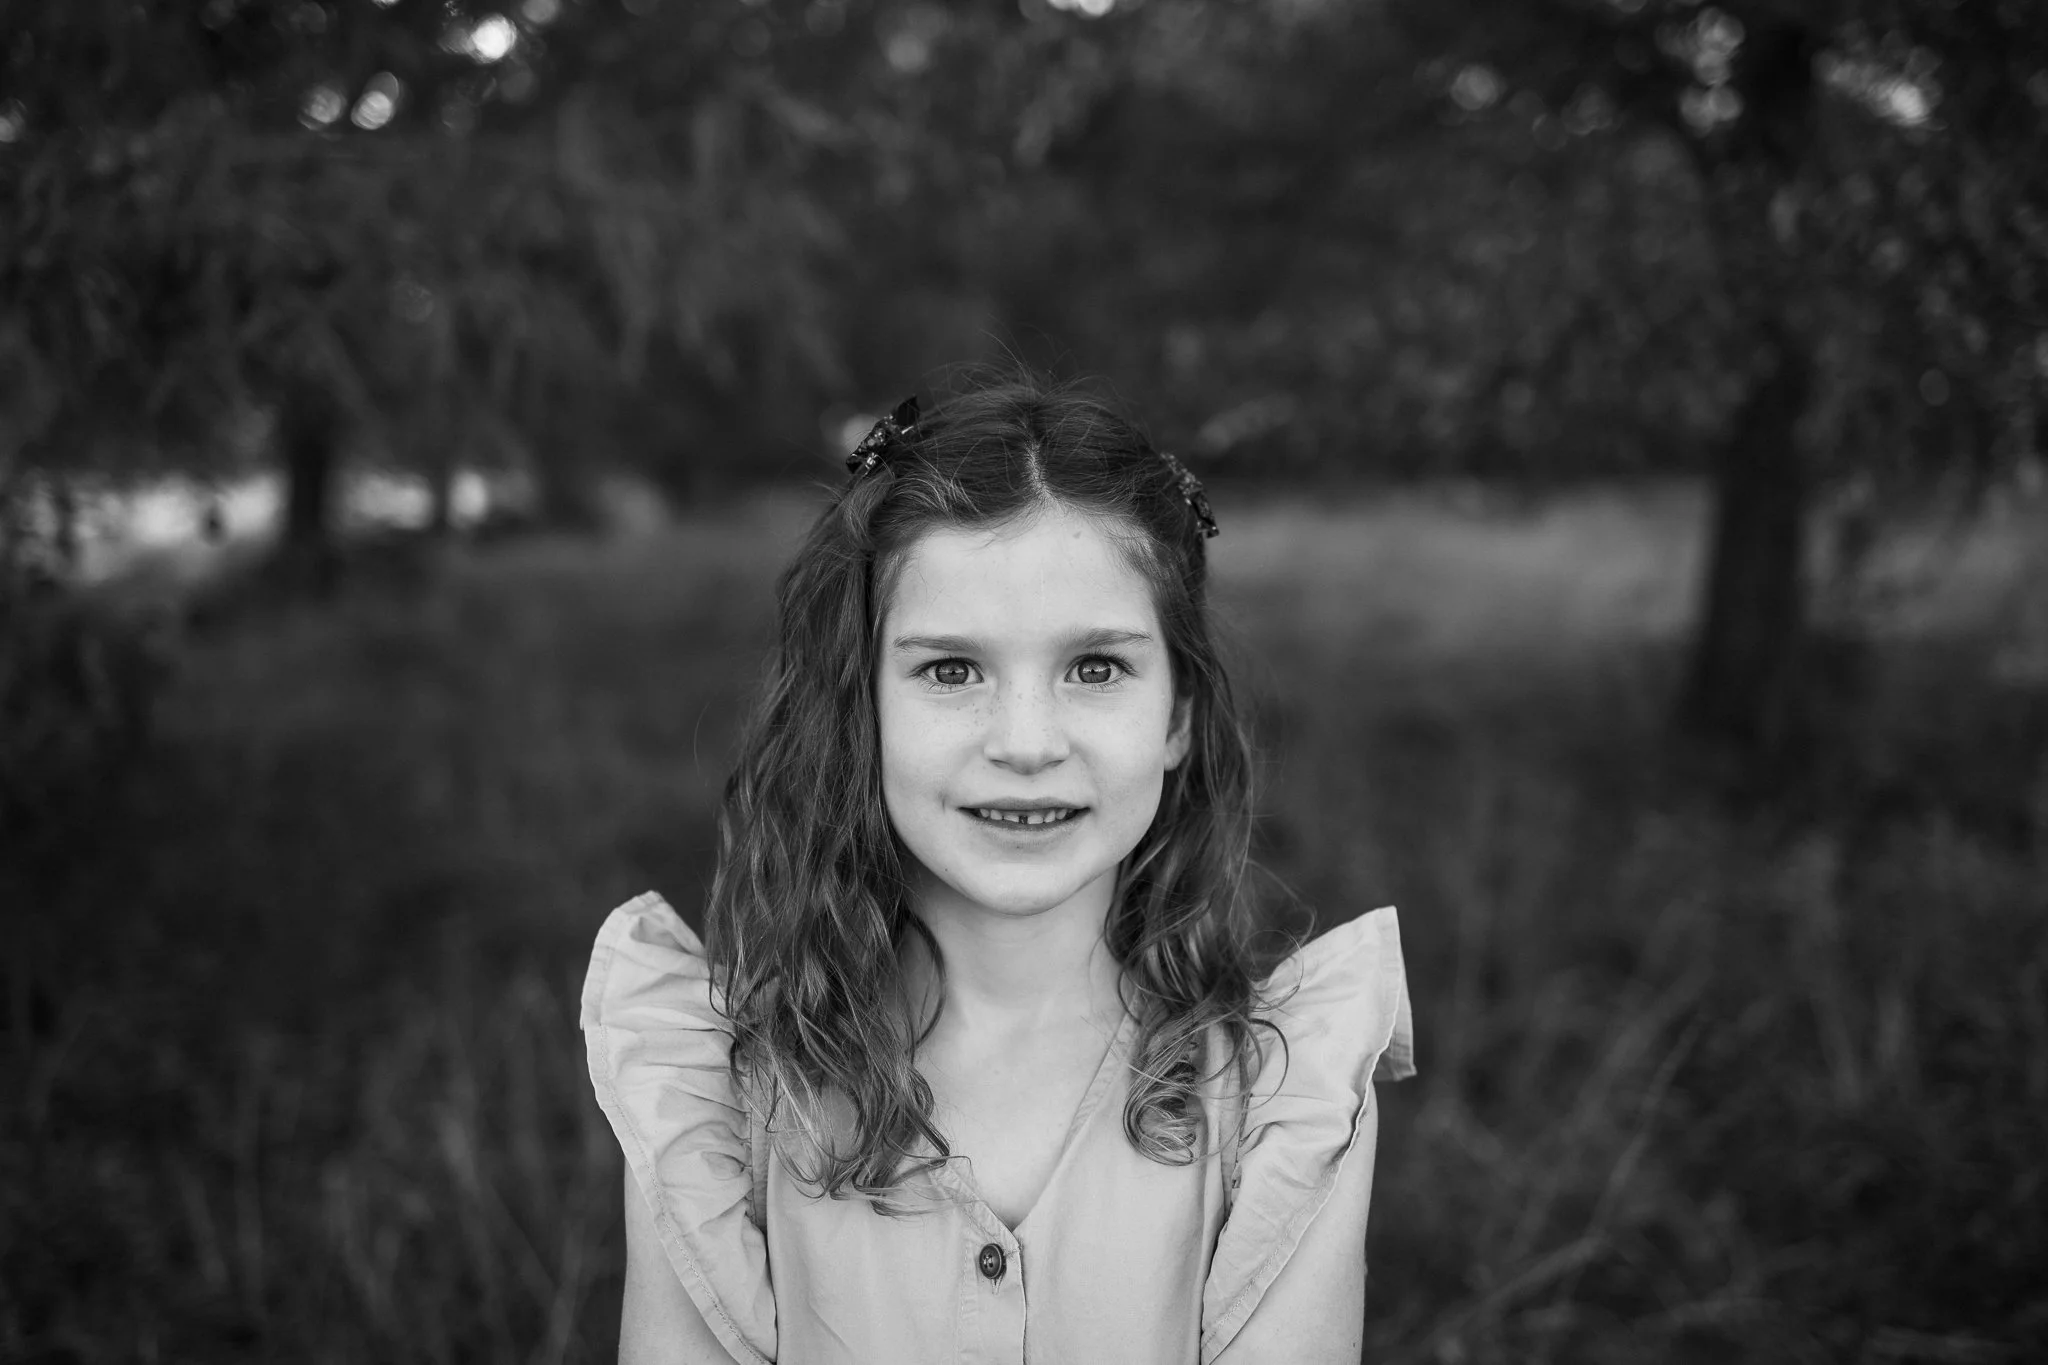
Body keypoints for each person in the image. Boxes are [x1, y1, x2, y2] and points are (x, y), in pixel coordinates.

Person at [581, 374, 1414, 1364]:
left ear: (1178, 718)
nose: (1026, 743)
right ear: (861, 712)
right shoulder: (724, 1101)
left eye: (1095, 668)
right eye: (950, 669)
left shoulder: (1283, 1103)